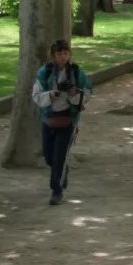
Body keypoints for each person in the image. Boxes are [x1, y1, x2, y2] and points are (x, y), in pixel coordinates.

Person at [31, 39, 92, 205]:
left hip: (68, 121)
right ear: (53, 55)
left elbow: (87, 94)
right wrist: (51, 94)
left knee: (59, 157)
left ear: (69, 54)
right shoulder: (45, 72)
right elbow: (36, 96)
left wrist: (74, 93)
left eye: (65, 53)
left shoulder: (77, 73)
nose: (62, 56)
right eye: (59, 53)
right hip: (49, 119)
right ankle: (62, 170)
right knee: (49, 157)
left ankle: (56, 191)